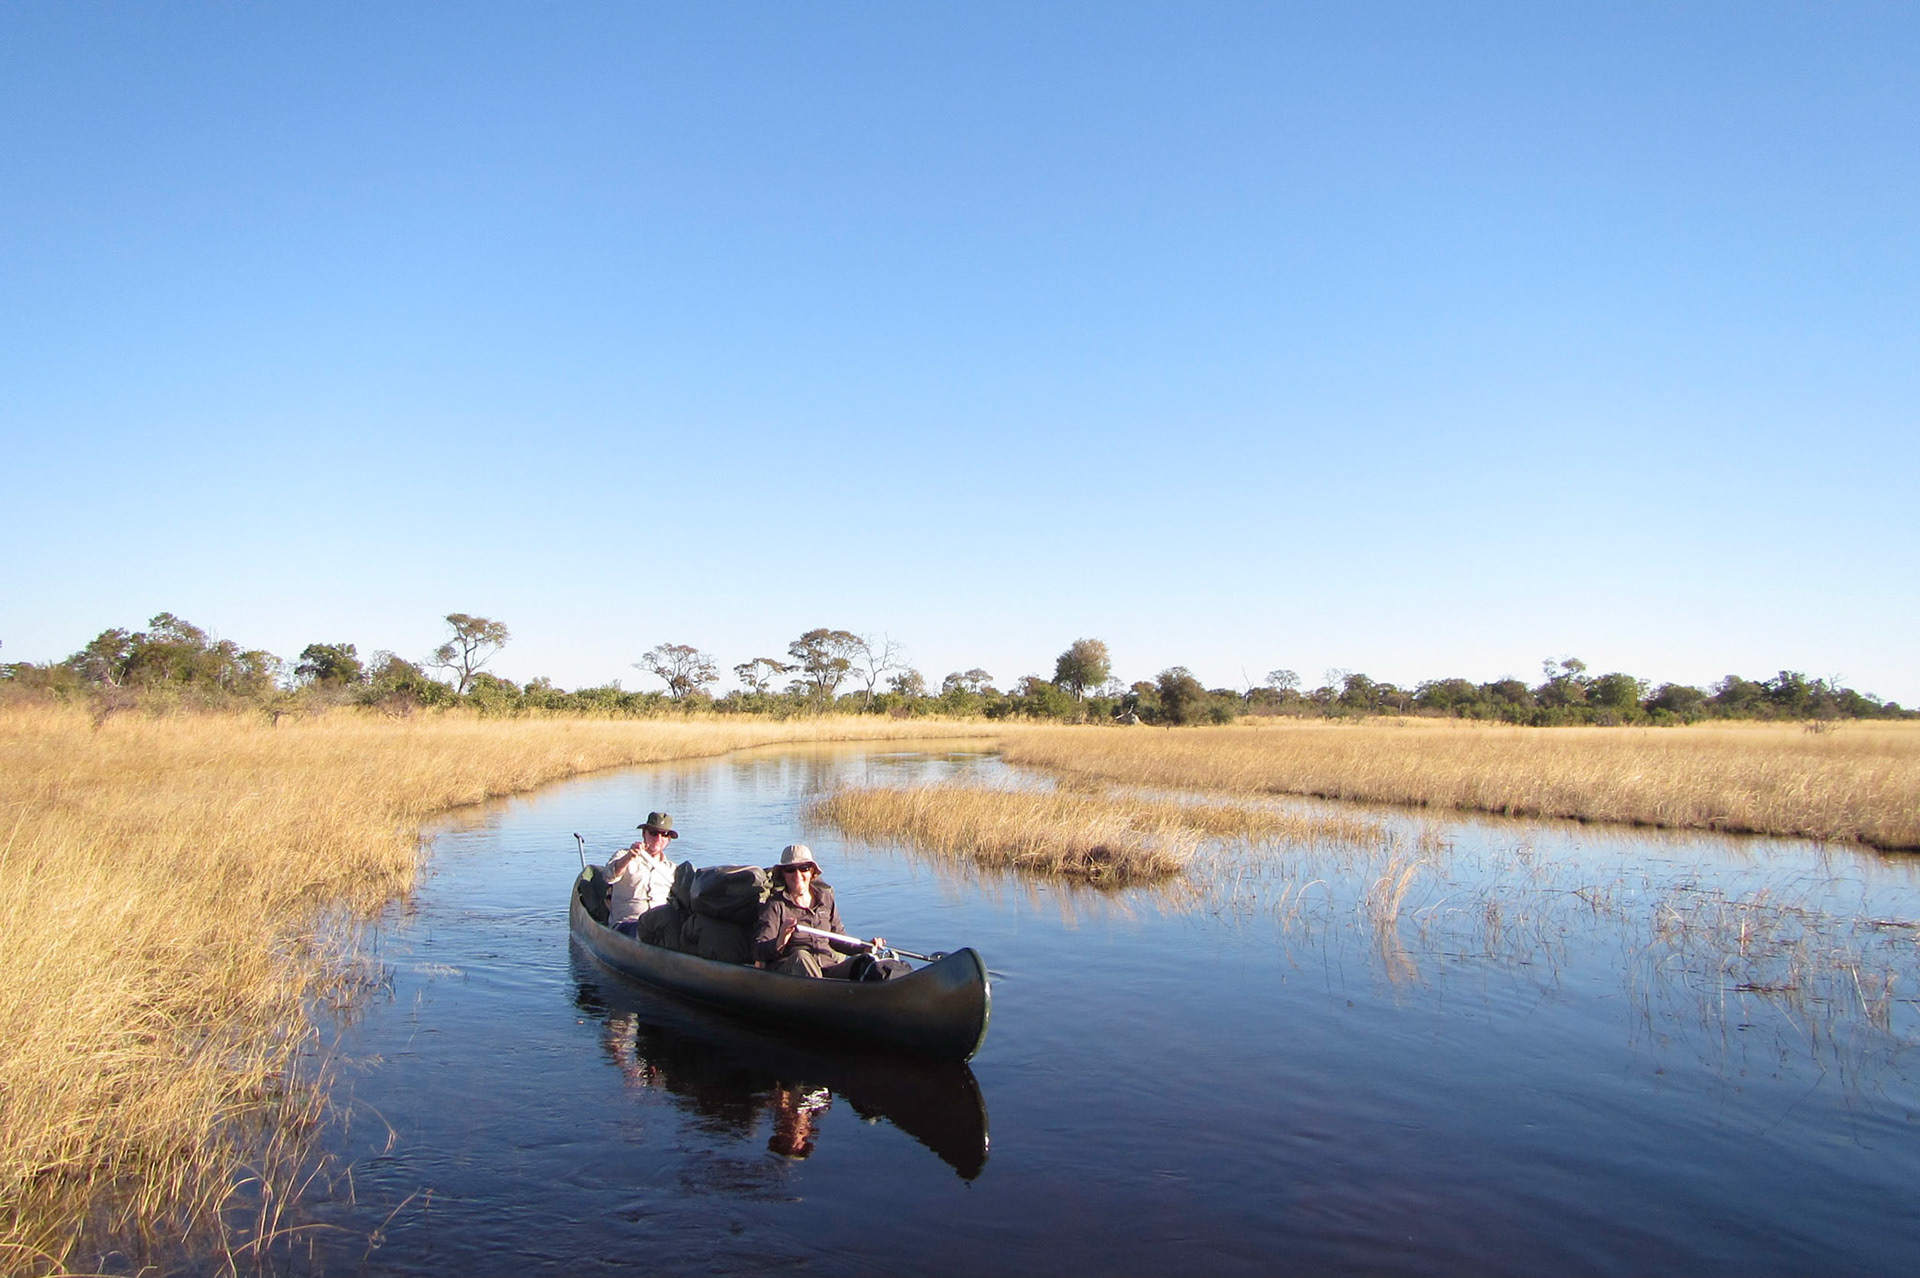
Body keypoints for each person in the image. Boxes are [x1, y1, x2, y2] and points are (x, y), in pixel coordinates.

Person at [754, 845, 884, 978]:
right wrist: (780, 940)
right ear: (783, 874)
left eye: (803, 868)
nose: (797, 875)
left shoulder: (825, 899)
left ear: (812, 872)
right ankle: (828, 994)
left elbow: (838, 938)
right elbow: (758, 949)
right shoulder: (775, 905)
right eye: (790, 869)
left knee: (867, 963)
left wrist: (865, 948)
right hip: (791, 972)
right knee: (802, 956)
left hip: (827, 967)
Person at [606, 811, 679, 936]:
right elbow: (609, 876)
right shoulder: (623, 855)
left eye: (664, 834)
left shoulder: (672, 869)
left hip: (660, 925)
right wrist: (629, 857)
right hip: (627, 924)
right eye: (653, 833)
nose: (658, 838)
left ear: (669, 840)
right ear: (644, 833)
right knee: (646, 930)